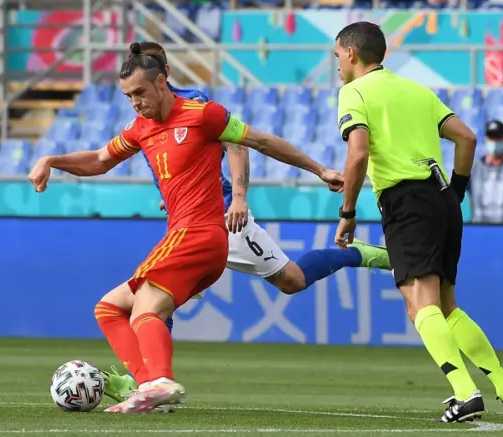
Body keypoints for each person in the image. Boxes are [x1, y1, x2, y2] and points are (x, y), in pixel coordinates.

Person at [29, 42, 343, 414]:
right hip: (188, 237)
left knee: (145, 310)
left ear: (162, 82)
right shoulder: (140, 128)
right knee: (110, 309)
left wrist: (319, 169)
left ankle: (159, 382)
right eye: (128, 96)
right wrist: (52, 159)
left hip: (199, 233)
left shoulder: (203, 114)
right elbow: (99, 160)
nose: (135, 102)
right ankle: (148, 386)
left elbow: (260, 141)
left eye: (141, 92)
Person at [95, 40, 391, 411]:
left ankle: (355, 254)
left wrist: (238, 197)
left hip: (221, 218)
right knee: (152, 301)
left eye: (144, 83)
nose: (136, 97)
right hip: (184, 224)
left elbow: (239, 144)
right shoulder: (145, 117)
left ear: (163, 74)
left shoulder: (196, 103)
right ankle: (152, 383)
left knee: (292, 281)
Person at [333, 21, 503, 424]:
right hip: (442, 199)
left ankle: (465, 393)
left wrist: (348, 213)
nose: (336, 65)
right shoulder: (416, 90)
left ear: (352, 54)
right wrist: (455, 191)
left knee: (419, 304)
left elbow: (357, 154)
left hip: (406, 201)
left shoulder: (353, 92)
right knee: (444, 304)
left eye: (337, 56)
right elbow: (468, 138)